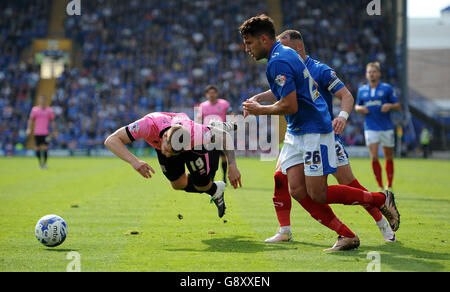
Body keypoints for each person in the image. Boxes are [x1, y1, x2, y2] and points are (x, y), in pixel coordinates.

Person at [239, 15, 400, 251]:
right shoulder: (287, 55)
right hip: (297, 131)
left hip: (314, 131)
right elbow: (288, 91)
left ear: (264, 39)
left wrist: (258, 110)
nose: (246, 49)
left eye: (249, 43)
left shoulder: (279, 62)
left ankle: (381, 199)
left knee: (319, 193)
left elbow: (290, 105)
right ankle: (346, 235)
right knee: (295, 189)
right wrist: (260, 98)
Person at [104, 112, 242, 218]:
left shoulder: (196, 134)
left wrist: (232, 165)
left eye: (172, 153)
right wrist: (134, 161)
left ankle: (213, 128)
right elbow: (111, 140)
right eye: (168, 151)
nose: (168, 155)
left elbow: (224, 137)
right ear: (164, 137)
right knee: (177, 184)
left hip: (194, 144)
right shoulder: (147, 125)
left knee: (203, 184)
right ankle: (216, 190)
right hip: (170, 134)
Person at [355, 62, 401, 191]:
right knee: (374, 156)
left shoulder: (387, 88)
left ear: (379, 74)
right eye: (369, 72)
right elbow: (357, 106)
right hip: (370, 127)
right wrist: (360, 109)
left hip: (386, 127)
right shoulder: (362, 90)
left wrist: (390, 106)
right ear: (366, 74)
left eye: (374, 71)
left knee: (389, 156)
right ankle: (380, 185)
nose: (372, 74)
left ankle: (389, 184)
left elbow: (398, 105)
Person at [196, 85, 233, 184]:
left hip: (221, 135)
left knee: (223, 156)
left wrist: (232, 125)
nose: (212, 95)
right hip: (208, 136)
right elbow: (199, 120)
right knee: (211, 158)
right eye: (210, 93)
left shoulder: (224, 104)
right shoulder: (203, 106)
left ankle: (224, 177)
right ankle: (211, 178)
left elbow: (231, 116)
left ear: (217, 94)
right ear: (206, 94)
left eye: (213, 93)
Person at [26, 95, 56, 169]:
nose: (42, 101)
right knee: (37, 148)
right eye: (41, 99)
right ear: (39, 100)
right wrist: (29, 129)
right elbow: (30, 120)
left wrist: (55, 130)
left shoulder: (49, 110)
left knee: (45, 148)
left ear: (46, 101)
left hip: (46, 133)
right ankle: (40, 164)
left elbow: (52, 121)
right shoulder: (35, 110)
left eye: (44, 100)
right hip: (37, 132)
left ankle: (45, 164)